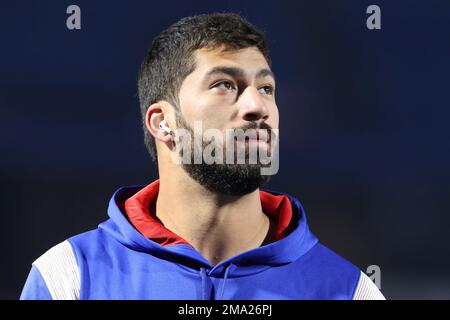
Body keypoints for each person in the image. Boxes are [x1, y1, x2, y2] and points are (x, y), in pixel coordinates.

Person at [20, 13, 385, 300]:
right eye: (224, 84)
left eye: (266, 87)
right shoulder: (68, 280)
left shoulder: (349, 292)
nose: (258, 106)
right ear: (163, 123)